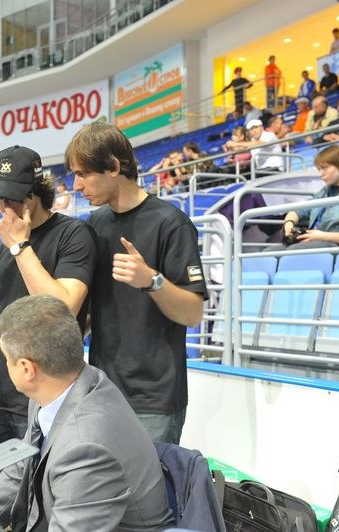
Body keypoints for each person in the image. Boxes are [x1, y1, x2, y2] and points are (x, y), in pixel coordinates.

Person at [67, 122, 208, 444]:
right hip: (102, 390)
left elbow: (193, 313)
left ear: (114, 167)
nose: (76, 185)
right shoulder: (95, 223)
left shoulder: (171, 224)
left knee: (150, 494)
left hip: (153, 401)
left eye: (83, 174)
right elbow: (94, 312)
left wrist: (152, 280)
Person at [0, 295, 175, 531]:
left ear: (27, 368)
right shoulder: (66, 386)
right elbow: (22, 469)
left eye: (5, 359)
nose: (4, 365)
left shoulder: (85, 447)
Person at [0, 145, 96, 443]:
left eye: (13, 198)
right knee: (7, 489)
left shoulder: (73, 235)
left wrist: (20, 246)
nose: (5, 208)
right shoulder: (2, 248)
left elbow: (61, 309)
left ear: (36, 192)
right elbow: (7, 317)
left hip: (50, 399)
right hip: (3, 398)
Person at [281, 145, 339, 250]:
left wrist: (322, 236)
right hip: (318, 242)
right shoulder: (323, 193)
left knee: (294, 250)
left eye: (325, 168)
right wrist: (289, 222)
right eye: (319, 169)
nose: (321, 174)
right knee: (269, 251)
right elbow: (298, 211)